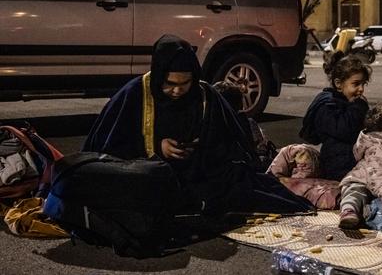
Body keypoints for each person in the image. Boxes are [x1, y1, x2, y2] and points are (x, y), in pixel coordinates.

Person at [83, 34, 312, 218]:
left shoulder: (204, 95)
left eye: (184, 84)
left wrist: (200, 148)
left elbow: (231, 144)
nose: (177, 91)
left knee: (234, 185)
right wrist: (157, 146)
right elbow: (108, 146)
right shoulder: (135, 93)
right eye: (170, 84)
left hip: (196, 173)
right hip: (146, 173)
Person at [299, 51, 371, 181]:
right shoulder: (327, 106)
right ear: (338, 84)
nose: (361, 89)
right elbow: (344, 130)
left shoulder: (347, 103)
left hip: (349, 160)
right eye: (356, 84)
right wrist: (358, 106)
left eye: (363, 84)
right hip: (338, 166)